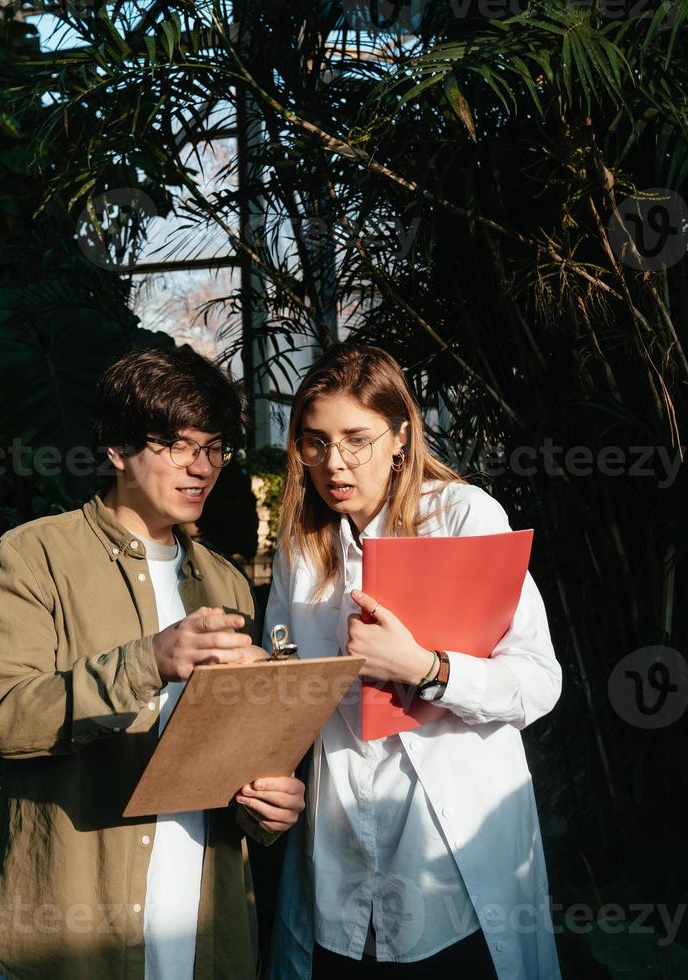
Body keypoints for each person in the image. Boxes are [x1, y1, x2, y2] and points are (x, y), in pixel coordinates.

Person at [0, 345, 307, 980]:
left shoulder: (227, 584)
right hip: (74, 943)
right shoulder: (33, 557)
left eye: (213, 448)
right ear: (118, 450)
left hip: (207, 938)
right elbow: (2, 718)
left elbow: (233, 756)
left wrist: (267, 805)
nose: (200, 467)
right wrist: (147, 661)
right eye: (177, 445)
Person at [264, 344, 562, 980]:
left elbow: (539, 683)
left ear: (401, 435)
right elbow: (283, 690)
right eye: (313, 442)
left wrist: (427, 667)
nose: (333, 463)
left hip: (448, 862)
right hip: (339, 855)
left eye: (356, 439)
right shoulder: (301, 546)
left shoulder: (463, 516)